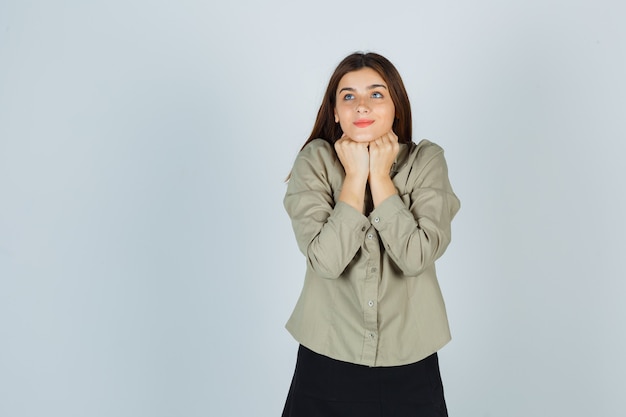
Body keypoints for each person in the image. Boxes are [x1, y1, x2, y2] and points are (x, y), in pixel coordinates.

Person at [281, 52, 460, 417]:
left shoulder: (426, 161)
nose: (361, 105)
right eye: (348, 96)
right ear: (334, 111)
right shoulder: (315, 161)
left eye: (376, 94)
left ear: (397, 105)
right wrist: (353, 178)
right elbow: (326, 262)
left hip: (411, 361)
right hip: (327, 358)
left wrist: (379, 178)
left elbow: (415, 257)